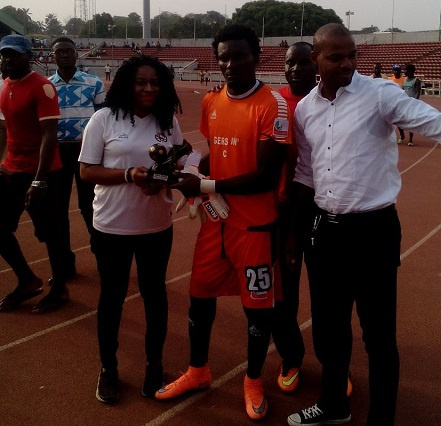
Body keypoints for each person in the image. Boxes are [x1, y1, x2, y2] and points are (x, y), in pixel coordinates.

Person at [286, 23, 441, 426]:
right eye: (335, 57)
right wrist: (294, 232)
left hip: (373, 232)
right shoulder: (306, 109)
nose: (347, 64)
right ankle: (334, 404)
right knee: (328, 330)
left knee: (378, 337)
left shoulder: (379, 95)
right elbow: (305, 172)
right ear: (315, 61)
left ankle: (382, 418)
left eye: (351, 54)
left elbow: (439, 124)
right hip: (325, 233)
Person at [155, 24, 291, 421]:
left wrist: (205, 182)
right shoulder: (213, 102)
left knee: (257, 310)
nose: (230, 64)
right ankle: (198, 370)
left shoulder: (272, 105)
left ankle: (252, 380)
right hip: (215, 224)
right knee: (200, 297)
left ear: (257, 55)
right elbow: (215, 154)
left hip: (256, 229)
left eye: (239, 56)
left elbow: (267, 175)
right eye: (224, 57)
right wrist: (192, 169)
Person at [79, 55, 184, 404]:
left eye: (155, 82)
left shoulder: (167, 122)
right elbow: (87, 171)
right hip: (111, 226)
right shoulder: (104, 119)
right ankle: (108, 368)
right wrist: (129, 176)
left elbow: (182, 162)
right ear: (127, 83)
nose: (149, 88)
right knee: (112, 298)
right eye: (141, 82)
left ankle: (154, 364)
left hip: (156, 225)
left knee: (156, 297)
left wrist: (167, 179)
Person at [0, 34, 71, 314]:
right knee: (1, 228)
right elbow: (4, 130)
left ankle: (60, 287)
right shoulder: (5, 85)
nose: (7, 59)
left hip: (42, 174)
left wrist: (39, 179)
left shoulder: (42, 88)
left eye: (14, 54)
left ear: (28, 56)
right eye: (4, 54)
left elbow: (49, 136)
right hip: (12, 171)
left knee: (50, 233)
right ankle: (28, 280)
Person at [273, 41, 316, 394]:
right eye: (291, 63)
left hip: (324, 208)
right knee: (282, 292)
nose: (297, 69)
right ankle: (291, 356)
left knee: (329, 292)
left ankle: (336, 363)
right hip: (283, 210)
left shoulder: (331, 102)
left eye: (304, 63)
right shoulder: (273, 103)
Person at [48, 36, 106, 272]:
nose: (64, 54)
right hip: (58, 149)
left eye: (68, 50)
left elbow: (104, 119)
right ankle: (64, 263)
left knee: (90, 205)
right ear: (52, 56)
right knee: (58, 208)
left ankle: (102, 253)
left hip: (87, 150)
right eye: (59, 51)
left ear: (76, 54)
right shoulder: (46, 86)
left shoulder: (94, 83)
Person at [402, 63, 422, 146]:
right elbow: (403, 90)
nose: (405, 71)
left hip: (412, 104)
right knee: (400, 120)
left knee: (411, 122)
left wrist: (414, 101)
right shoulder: (405, 80)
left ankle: (410, 139)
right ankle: (402, 135)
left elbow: (418, 92)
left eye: (407, 70)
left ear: (412, 71)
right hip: (404, 103)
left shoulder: (416, 80)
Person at [389, 64, 406, 144]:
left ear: (400, 71)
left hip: (402, 102)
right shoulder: (391, 79)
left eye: (397, 70)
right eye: (395, 70)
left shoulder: (404, 80)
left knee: (400, 120)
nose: (396, 72)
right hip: (392, 102)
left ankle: (402, 135)